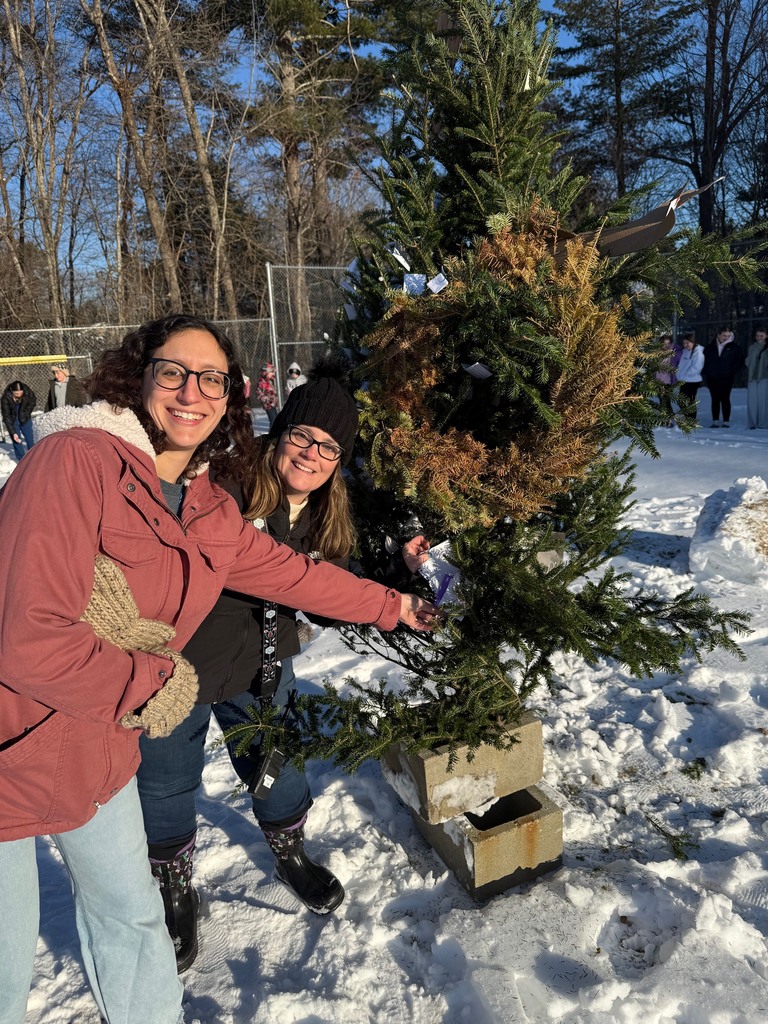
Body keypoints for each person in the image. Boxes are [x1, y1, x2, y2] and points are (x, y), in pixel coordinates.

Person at [0, 314, 437, 1024]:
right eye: (173, 371)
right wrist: (155, 680)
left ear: (230, 396)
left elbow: (298, 576)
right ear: (137, 376)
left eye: (213, 379)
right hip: (12, 744)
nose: (191, 391)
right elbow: (24, 636)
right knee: (3, 970)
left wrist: (395, 606)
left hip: (100, 747)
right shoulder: (74, 462)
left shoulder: (205, 506)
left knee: (133, 928)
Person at [136, 354, 431, 971]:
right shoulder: (227, 489)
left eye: (328, 447)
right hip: (178, 667)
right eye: (301, 436)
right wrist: (382, 603)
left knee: (279, 767)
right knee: (166, 782)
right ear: (279, 432)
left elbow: (331, 591)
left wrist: (399, 577)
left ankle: (290, 852)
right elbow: (292, 579)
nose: (312, 455)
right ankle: (173, 886)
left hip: (262, 669)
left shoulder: (327, 512)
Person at [703, 326, 745, 428]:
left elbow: (739, 362)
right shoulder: (710, 347)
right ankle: (715, 421)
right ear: (718, 335)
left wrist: (731, 372)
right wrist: (707, 371)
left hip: (727, 377)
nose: (726, 338)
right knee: (715, 398)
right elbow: (704, 361)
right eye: (724, 335)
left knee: (725, 398)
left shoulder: (734, 348)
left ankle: (726, 421)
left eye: (728, 336)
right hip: (712, 377)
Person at [1, 379, 36, 460]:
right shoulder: (6, 398)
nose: (19, 395)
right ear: (12, 392)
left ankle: (34, 457)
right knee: (16, 439)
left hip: (24, 415)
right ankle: (21, 459)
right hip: (13, 418)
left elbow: (33, 402)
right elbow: (7, 416)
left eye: (21, 392)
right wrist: (13, 433)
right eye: (16, 393)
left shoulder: (27, 392)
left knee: (30, 438)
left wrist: (26, 412)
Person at [675, 333, 705, 423]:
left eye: (688, 343)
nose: (686, 345)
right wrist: (679, 375)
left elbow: (696, 368)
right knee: (681, 400)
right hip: (684, 380)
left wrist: (684, 376)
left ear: (693, 342)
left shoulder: (698, 353)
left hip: (693, 381)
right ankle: (686, 417)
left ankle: (691, 419)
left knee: (690, 400)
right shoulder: (685, 351)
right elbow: (681, 366)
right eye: (684, 343)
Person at [745, 326, 768, 429]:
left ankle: (763, 423)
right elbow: (748, 362)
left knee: (763, 401)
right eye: (757, 335)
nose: (759, 338)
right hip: (752, 377)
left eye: (761, 336)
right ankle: (753, 423)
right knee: (752, 401)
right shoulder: (752, 347)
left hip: (765, 376)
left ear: (766, 336)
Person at [654, 335, 677, 426]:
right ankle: (665, 419)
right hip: (659, 380)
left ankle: (670, 419)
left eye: (668, 343)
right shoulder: (657, 353)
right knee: (661, 401)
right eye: (664, 343)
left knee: (667, 401)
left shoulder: (673, 353)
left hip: (669, 381)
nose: (666, 345)